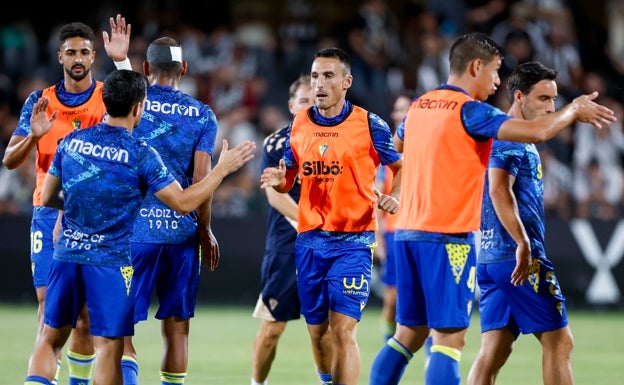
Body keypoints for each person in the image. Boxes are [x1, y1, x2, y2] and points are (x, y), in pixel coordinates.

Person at [368, 32, 616, 385]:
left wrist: (398, 190)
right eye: (496, 71)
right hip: (448, 238)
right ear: (475, 67)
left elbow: (394, 154)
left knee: (409, 335)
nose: (497, 80)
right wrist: (573, 110)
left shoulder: (419, 106)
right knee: (450, 340)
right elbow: (535, 134)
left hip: (407, 233)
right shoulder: (471, 111)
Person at [23, 69, 256, 385]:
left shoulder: (72, 141)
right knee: (108, 348)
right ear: (138, 108)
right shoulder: (141, 154)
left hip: (67, 255)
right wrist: (222, 170)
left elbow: (48, 196)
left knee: (50, 339)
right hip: (109, 262)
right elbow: (183, 202)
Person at [260, 47, 403, 385]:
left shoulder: (369, 124)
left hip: (353, 243)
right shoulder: (299, 124)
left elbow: (400, 164)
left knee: (343, 330)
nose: (319, 84)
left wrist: (395, 195)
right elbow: (290, 177)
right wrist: (282, 183)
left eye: (327, 76)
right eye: (314, 76)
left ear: (346, 82)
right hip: (309, 242)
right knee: (318, 332)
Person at [2, 16, 132, 385]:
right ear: (60, 56)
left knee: (87, 317)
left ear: (94, 57)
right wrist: (33, 136)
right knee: (50, 308)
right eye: (71, 52)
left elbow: (140, 110)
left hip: (94, 217)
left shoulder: (107, 96)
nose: (78, 58)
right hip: (48, 212)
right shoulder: (39, 102)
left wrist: (122, 61)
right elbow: (10, 159)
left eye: (85, 52)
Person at [115, 36, 220, 385]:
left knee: (121, 331)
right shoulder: (203, 114)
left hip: (134, 233)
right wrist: (204, 229)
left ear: (146, 69)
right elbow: (202, 179)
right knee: (177, 330)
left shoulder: (134, 103)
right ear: (184, 69)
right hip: (182, 233)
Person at [466, 61, 575, 385]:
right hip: (517, 258)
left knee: (494, 351)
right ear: (519, 96)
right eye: (543, 99)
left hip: (490, 259)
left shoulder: (513, 137)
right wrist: (523, 243)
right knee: (559, 342)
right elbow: (498, 190)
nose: (550, 107)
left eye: (553, 99)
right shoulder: (509, 138)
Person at [251, 74, 333, 385]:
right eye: (303, 101)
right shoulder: (276, 143)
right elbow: (274, 194)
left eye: (314, 100)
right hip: (287, 247)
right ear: (290, 105)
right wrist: (312, 223)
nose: (309, 106)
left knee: (321, 329)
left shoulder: (335, 141)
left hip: (326, 246)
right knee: (272, 328)